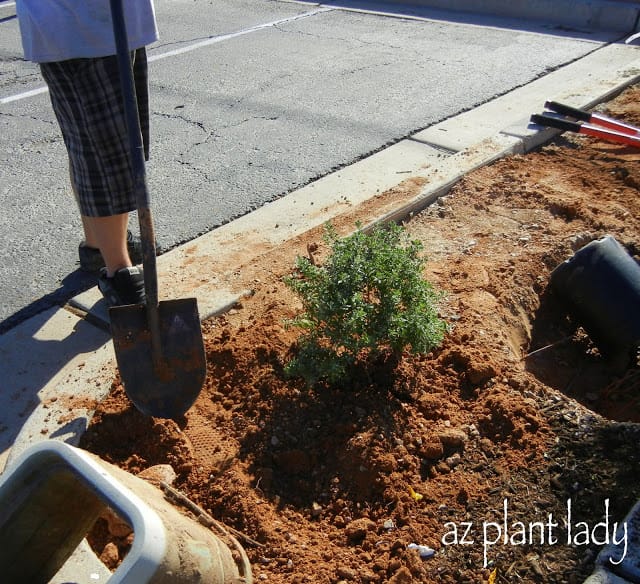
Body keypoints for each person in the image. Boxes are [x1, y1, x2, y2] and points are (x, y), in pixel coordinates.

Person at [15, 0, 159, 306]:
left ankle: (98, 247)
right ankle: (119, 275)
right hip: (77, 27)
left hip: (116, 22)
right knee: (105, 157)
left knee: (97, 146)